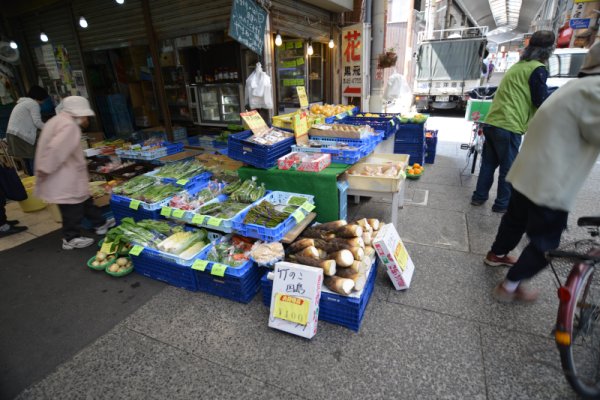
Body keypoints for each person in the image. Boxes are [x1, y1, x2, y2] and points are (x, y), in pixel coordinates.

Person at [484, 42, 600, 302]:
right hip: (550, 180)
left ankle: (497, 254)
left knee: (515, 218)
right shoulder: (594, 91)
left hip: (527, 168)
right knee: (545, 240)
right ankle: (510, 285)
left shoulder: (572, 87)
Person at [471, 31, 555, 213]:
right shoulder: (537, 69)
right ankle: (502, 204)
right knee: (508, 169)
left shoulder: (517, 66)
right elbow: (539, 99)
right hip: (509, 125)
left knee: (488, 164)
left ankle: (479, 197)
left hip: (492, 122)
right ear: (548, 51)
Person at [34, 96, 115, 250]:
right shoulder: (69, 127)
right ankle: (70, 238)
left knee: (84, 200)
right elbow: (55, 151)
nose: (86, 119)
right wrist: (45, 169)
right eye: (85, 116)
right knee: (72, 208)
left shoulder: (56, 121)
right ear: (79, 114)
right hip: (63, 175)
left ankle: (100, 223)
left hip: (64, 173)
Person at [6, 86, 49, 176]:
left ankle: (32, 178)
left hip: (14, 134)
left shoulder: (24, 103)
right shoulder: (33, 104)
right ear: (39, 97)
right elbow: (37, 122)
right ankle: (37, 179)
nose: (44, 101)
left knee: (27, 160)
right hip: (21, 135)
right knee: (33, 158)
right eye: (44, 99)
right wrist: (50, 128)